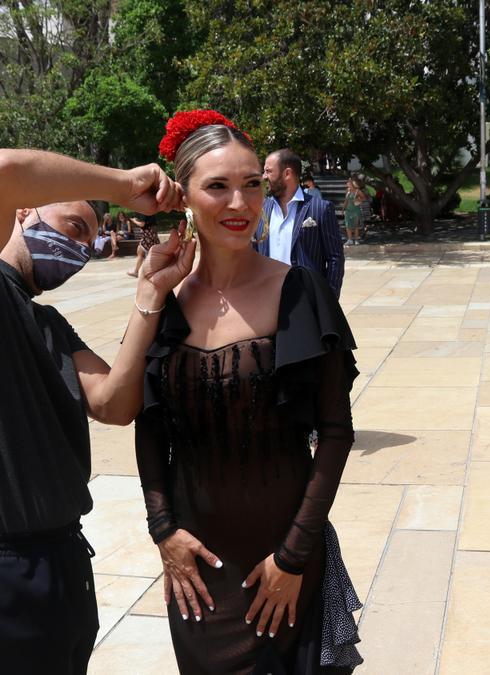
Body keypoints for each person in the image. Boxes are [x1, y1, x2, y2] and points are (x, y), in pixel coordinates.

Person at [0, 148, 193, 673]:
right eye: (73, 225)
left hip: (62, 560)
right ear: (25, 212)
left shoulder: (47, 324)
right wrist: (120, 186)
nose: (77, 247)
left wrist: (151, 291)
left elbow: (115, 402)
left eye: (86, 241)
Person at [137, 110, 363, 673]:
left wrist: (293, 556)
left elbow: (335, 433)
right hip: (199, 573)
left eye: (252, 185)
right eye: (217, 186)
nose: (239, 204)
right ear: (184, 196)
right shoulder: (164, 298)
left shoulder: (300, 292)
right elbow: (149, 425)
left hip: (281, 563)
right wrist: (163, 531)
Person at [259, 149, 345, 297]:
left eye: (268, 171)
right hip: (266, 299)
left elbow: (335, 258)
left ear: (287, 173)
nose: (264, 177)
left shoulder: (320, 208)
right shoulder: (261, 209)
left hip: (305, 300)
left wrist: (328, 302)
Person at [342, 177, 367, 246]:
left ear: (352, 184)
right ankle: (349, 240)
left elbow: (364, 198)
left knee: (356, 226)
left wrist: (358, 200)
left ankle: (356, 240)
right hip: (348, 210)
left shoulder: (358, 191)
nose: (347, 184)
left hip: (356, 210)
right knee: (348, 225)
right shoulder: (347, 190)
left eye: (348, 183)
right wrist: (343, 209)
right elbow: (346, 200)